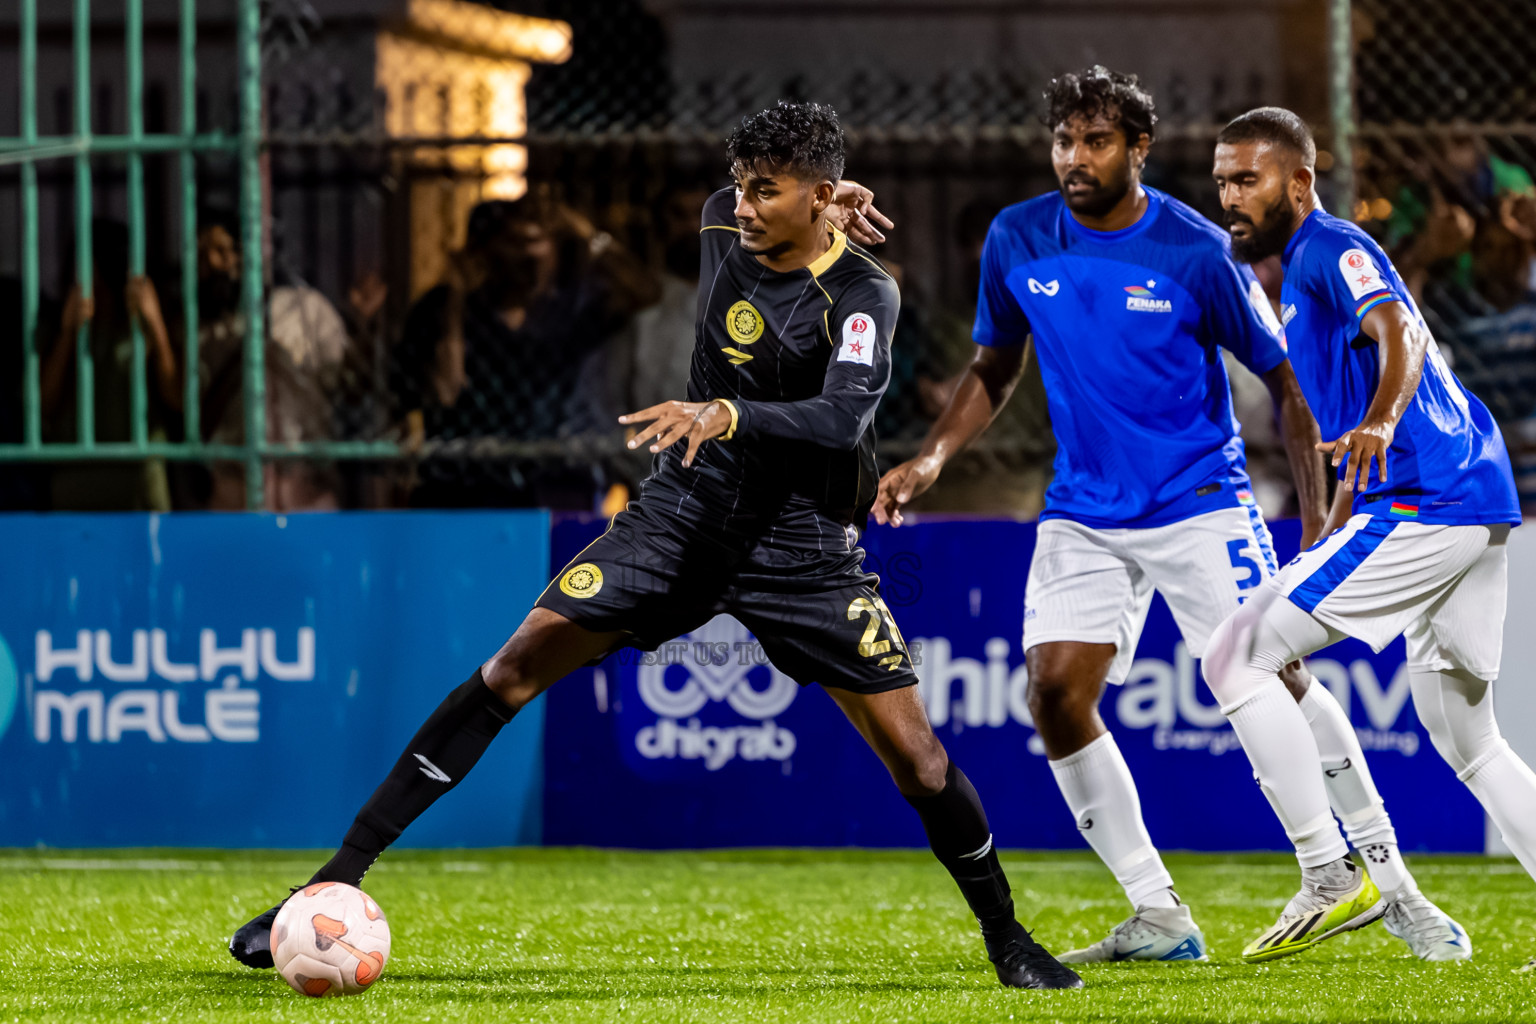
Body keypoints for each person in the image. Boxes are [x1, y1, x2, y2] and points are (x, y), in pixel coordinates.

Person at [227, 101, 1082, 991]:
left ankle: (1008, 939)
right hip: (683, 515)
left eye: (767, 191)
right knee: (510, 669)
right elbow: (753, 207)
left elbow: (841, 419)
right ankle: (330, 883)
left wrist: (728, 412)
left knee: (919, 760)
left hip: (801, 544)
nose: (742, 206)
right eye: (742, 186)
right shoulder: (722, 222)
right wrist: (804, 206)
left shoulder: (866, 293)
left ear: (821, 195)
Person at [874, 66, 1457, 964]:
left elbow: (1286, 381)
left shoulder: (1198, 249)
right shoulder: (1017, 236)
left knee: (1277, 677)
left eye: (1096, 140)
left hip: (1199, 502)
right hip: (1083, 509)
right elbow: (994, 364)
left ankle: (1392, 885)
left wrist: (1314, 521)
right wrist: (933, 456)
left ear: (1138, 149)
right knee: (1054, 694)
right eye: (1063, 140)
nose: (1075, 157)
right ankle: (1160, 914)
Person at [1206, 107, 1530, 964]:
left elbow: (1401, 331)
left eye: (1247, 179)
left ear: (1299, 183)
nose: (1230, 196)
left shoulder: (1329, 246)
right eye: (1222, 181)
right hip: (1472, 501)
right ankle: (1379, 889)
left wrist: (1382, 420)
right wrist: (1333, 519)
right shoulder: (1299, 269)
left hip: (1427, 502)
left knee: (1235, 657)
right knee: (1471, 741)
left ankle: (1329, 871)